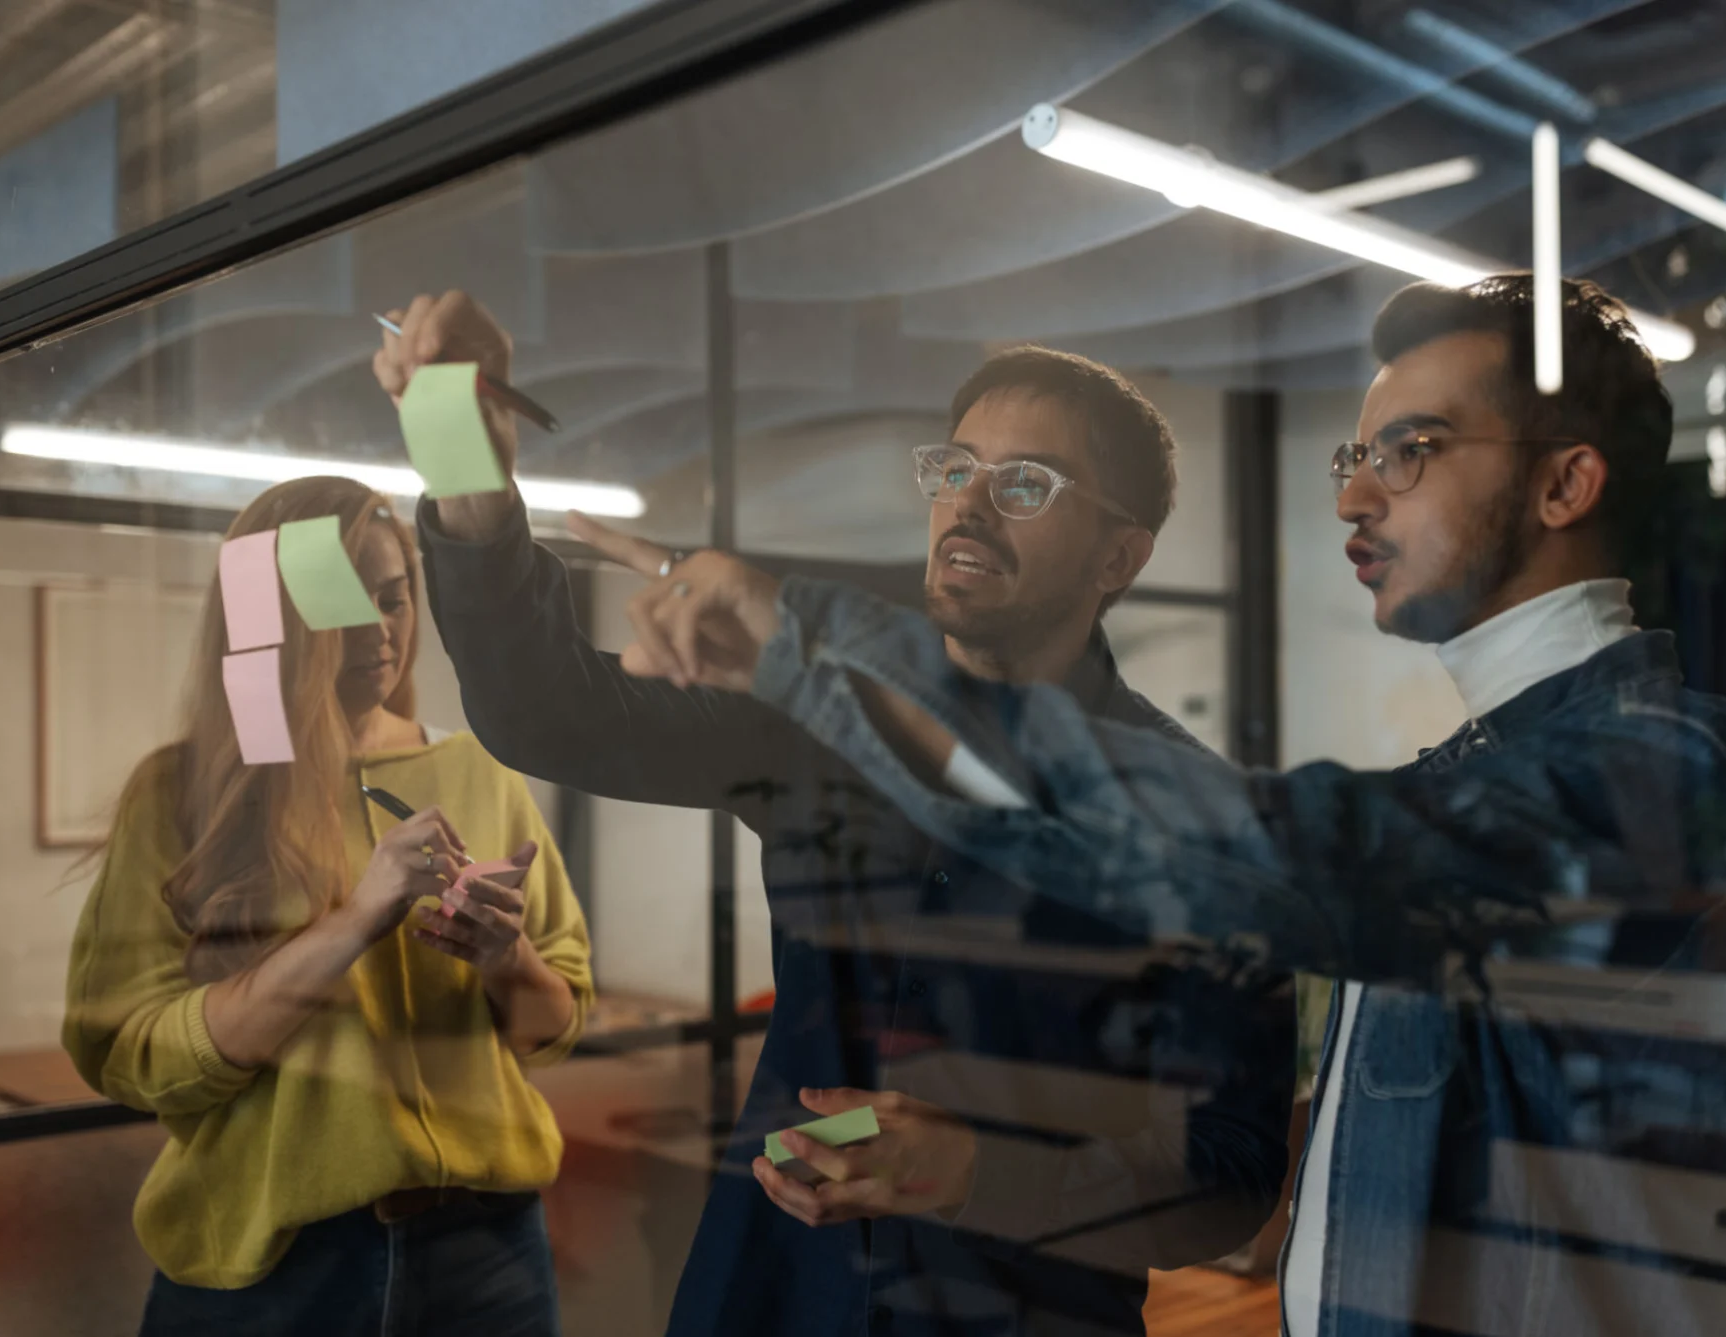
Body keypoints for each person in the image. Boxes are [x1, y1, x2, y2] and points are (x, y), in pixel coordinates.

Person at [598, 274, 1726, 1336]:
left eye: (1412, 451)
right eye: (1356, 455)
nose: (1353, 494)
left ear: (1565, 484)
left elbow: (1256, 862)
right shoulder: (1479, 772)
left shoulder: (1663, 772)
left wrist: (822, 656)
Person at [374, 293, 1296, 1337]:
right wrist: (463, 460)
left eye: (1024, 483)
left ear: (1118, 557)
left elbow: (1229, 1177)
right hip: (772, 1295)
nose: (968, 505)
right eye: (954, 468)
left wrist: (978, 1170)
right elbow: (543, 710)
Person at [63, 475, 594, 1337]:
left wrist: (508, 958)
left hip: (488, 1251)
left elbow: (554, 1027)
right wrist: (354, 921)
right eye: (343, 606)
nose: (380, 632)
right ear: (272, 621)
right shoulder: (181, 793)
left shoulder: (479, 769)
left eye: (395, 598)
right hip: (274, 1262)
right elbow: (128, 1048)